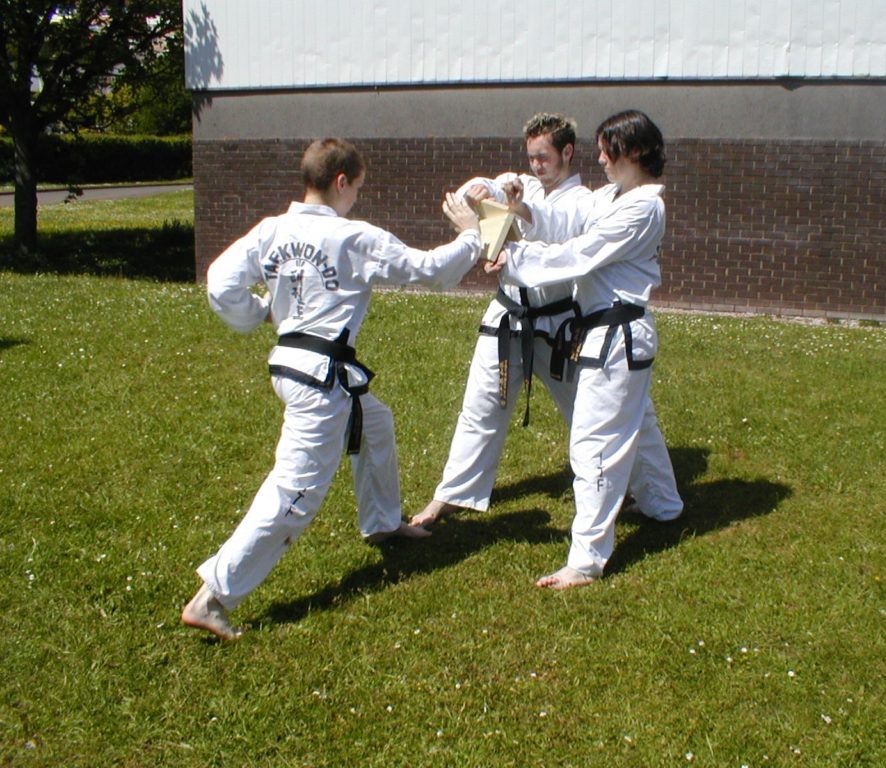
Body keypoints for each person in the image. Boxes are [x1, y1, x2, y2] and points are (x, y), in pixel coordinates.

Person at [182, 138, 483, 640]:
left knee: (375, 424)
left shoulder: (270, 231)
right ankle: (214, 595)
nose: (357, 199)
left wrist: (255, 312)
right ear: (341, 181)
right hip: (318, 382)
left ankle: (384, 521)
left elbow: (219, 282)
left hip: (294, 367)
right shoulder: (353, 237)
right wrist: (472, 237)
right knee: (296, 490)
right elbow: (432, 272)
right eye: (357, 188)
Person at [490, 110, 681, 590]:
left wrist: (513, 259)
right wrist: (522, 212)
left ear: (634, 151)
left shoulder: (643, 208)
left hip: (616, 334)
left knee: (594, 442)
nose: (599, 158)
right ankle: (663, 504)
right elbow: (566, 218)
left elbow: (581, 252)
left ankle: (587, 560)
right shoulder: (612, 196)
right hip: (611, 334)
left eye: (607, 150)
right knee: (639, 424)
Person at [412, 113, 590, 527]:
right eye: (531, 157)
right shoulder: (522, 183)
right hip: (509, 314)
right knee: (480, 407)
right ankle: (452, 495)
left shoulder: (582, 201)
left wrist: (518, 207)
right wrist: (481, 189)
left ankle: (622, 485)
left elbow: (556, 230)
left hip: (559, 323)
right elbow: (488, 188)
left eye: (544, 157)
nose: (536, 166)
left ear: (567, 151)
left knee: (590, 409)